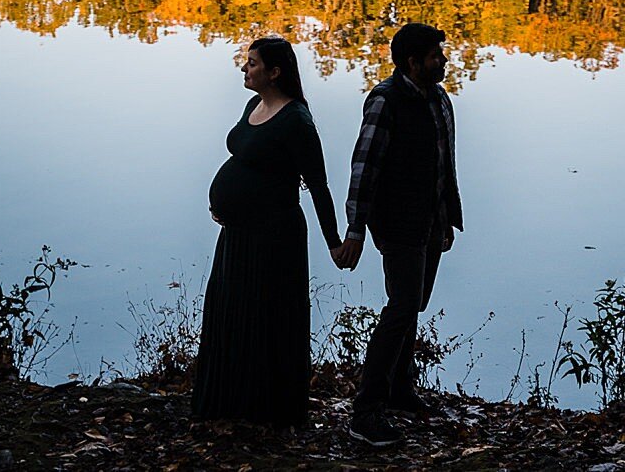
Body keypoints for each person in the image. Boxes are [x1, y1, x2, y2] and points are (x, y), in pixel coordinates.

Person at [191, 35, 343, 426]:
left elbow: (319, 185)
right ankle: (230, 401)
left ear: (275, 72)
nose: (245, 68)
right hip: (238, 235)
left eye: (253, 63)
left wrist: (335, 243)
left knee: (265, 318)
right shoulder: (252, 105)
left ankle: (268, 409)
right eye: (247, 62)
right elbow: (248, 161)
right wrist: (225, 202)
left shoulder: (297, 121)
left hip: (274, 237)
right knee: (231, 314)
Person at [335, 22, 463, 447]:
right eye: (434, 55)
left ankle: (399, 389)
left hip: (430, 221)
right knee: (402, 306)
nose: (443, 60)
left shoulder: (439, 100)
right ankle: (365, 413)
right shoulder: (385, 101)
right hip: (399, 222)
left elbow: (444, 166)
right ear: (412, 62)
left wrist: (446, 219)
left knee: (414, 305)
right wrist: (354, 228)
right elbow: (364, 167)